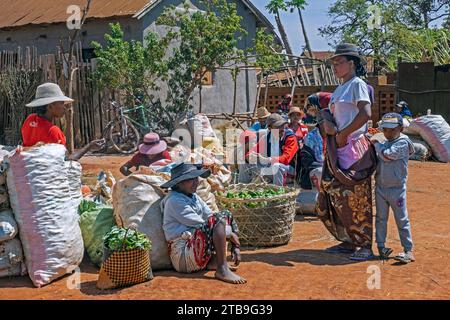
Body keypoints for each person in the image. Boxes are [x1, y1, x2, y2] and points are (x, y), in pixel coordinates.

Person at [316, 43, 377, 261]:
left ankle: (364, 245)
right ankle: (349, 240)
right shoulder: (340, 89)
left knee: (356, 198)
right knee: (333, 196)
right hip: (338, 149)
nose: (335, 66)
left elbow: (366, 114)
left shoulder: (357, 84)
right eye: (333, 62)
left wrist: (343, 135)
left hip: (353, 149)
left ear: (352, 63)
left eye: (339, 62)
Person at [160, 163, 246, 284]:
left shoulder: (193, 197)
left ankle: (212, 262)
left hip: (195, 247)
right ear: (179, 183)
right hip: (183, 256)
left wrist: (235, 245)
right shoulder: (174, 200)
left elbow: (210, 215)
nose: (196, 182)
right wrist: (230, 234)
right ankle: (222, 269)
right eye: (191, 179)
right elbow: (204, 223)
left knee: (226, 214)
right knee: (217, 221)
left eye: (196, 178)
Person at [371, 113, 415, 264]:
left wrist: (376, 144)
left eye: (392, 130)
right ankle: (381, 247)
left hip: (397, 190)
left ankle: (408, 250)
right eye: (385, 130)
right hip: (381, 188)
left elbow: (387, 155)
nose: (387, 133)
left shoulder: (403, 143)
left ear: (400, 128)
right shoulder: (385, 141)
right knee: (381, 218)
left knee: (402, 219)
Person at [22, 82, 105, 161]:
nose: (64, 107)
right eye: (61, 103)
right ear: (50, 106)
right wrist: (89, 147)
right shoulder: (53, 131)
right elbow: (68, 158)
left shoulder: (29, 119)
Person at [239, 113, 299, 186]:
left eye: (282, 125)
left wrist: (267, 159)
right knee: (245, 164)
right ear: (270, 128)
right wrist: (250, 156)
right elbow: (253, 151)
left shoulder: (290, 138)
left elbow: (286, 159)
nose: (281, 129)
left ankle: (278, 192)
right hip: (270, 167)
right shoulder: (266, 137)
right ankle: (242, 188)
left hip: (288, 170)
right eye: (277, 126)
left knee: (277, 166)